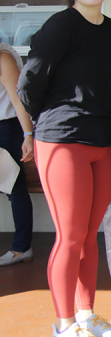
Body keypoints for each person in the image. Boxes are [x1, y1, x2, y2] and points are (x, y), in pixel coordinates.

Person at [17, 0, 111, 337]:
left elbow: (107, 89)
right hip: (62, 143)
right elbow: (29, 83)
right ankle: (64, 324)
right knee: (69, 236)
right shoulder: (60, 26)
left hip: (104, 143)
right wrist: (49, 119)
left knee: (89, 233)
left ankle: (86, 315)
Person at [0, 42, 34, 267]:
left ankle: (22, 248)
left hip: (6, 129)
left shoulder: (3, 57)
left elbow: (18, 99)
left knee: (14, 188)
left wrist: (28, 134)